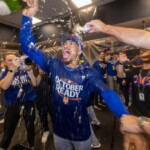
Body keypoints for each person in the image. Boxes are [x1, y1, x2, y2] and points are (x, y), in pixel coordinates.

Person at [21, 1, 150, 150]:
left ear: (80, 51)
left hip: (81, 135)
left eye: (71, 43)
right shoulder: (53, 64)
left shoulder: (88, 74)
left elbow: (108, 94)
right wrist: (27, 17)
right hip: (59, 133)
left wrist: (124, 116)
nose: (65, 45)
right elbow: (28, 48)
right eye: (64, 43)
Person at [0, 54, 36, 150]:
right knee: (8, 131)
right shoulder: (4, 72)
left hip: (28, 102)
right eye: (9, 60)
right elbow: (4, 86)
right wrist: (12, 70)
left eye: (15, 59)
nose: (12, 62)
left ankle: (32, 146)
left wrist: (29, 70)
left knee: (30, 127)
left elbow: (35, 83)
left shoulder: (24, 69)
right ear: (4, 63)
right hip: (12, 104)